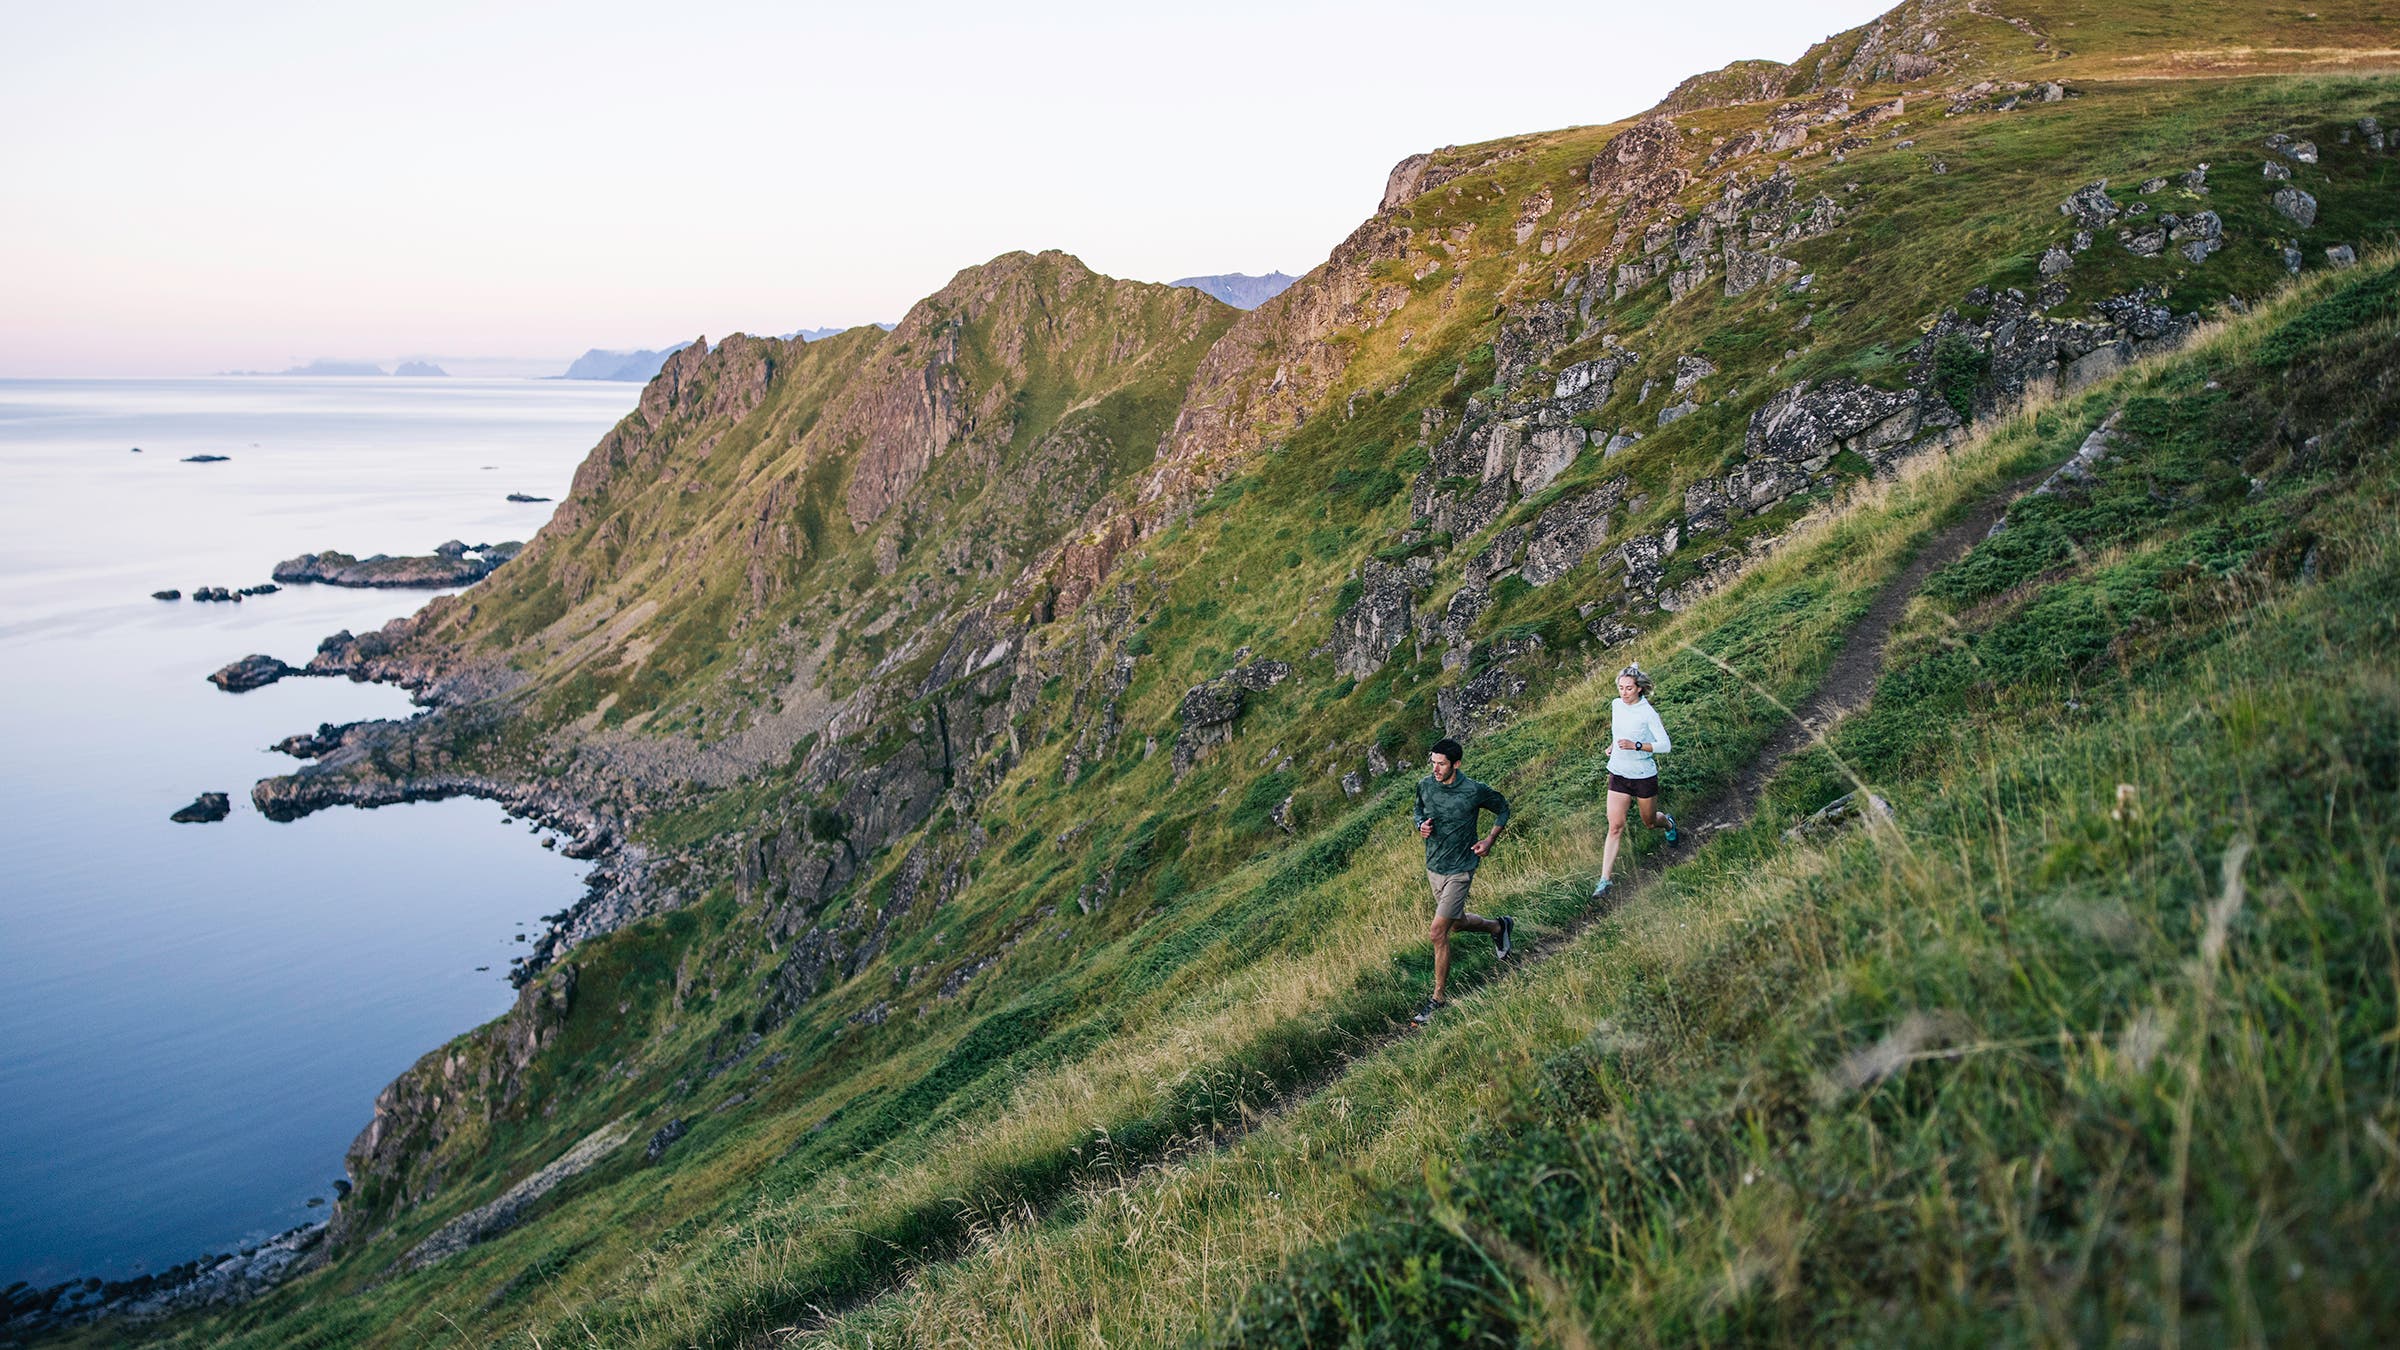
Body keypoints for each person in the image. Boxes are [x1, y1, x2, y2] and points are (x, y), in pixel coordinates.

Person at [1411, 737, 1514, 1025]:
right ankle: (1498, 926)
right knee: (1455, 924)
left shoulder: (1473, 790)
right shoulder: (1425, 785)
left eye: (1441, 764)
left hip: (1461, 867)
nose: (1435, 768)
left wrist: (1490, 839)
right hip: (1434, 866)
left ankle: (1438, 999)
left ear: (1456, 763)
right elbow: (1417, 810)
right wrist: (1421, 825)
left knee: (1437, 932)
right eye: (1433, 762)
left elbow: (1503, 808)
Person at [1593, 664, 1677, 898]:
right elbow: (1619, 731)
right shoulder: (1616, 705)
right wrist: (1614, 745)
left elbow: (1665, 745)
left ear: (1639, 689)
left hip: (1642, 775)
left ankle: (1668, 823)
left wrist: (1636, 745)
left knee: (1649, 822)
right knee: (1615, 826)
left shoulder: (1647, 713)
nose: (1624, 693)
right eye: (1620, 688)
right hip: (1619, 772)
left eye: (1629, 688)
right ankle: (1604, 881)